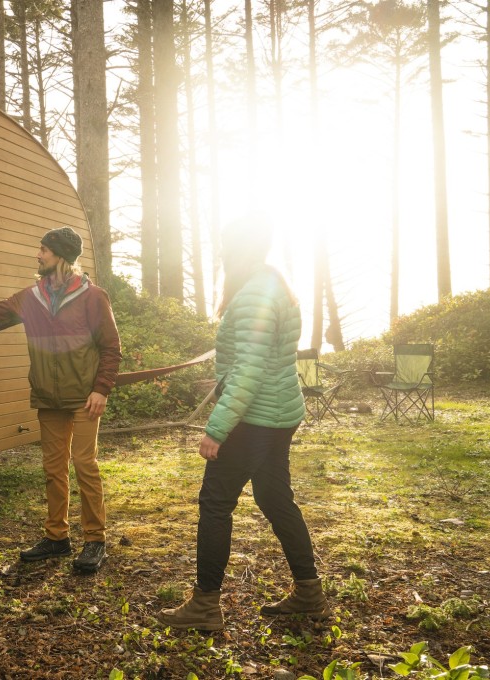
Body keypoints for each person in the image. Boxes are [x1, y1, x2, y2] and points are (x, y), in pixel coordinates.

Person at [158, 213, 331, 631]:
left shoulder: (255, 293)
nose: (221, 253)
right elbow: (261, 361)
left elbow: (249, 369)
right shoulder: (272, 285)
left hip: (254, 419)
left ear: (237, 249)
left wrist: (217, 428)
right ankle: (310, 594)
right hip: (278, 414)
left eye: (225, 246)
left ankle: (204, 605)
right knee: (275, 498)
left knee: (215, 503)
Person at [0, 226, 121, 573]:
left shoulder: (93, 297)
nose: (38, 255)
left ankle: (95, 540)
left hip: (84, 397)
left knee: (84, 465)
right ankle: (57, 537)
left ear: (61, 256)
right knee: (53, 470)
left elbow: (111, 347)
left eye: (44, 250)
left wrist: (101, 389)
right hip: (48, 397)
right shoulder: (32, 297)